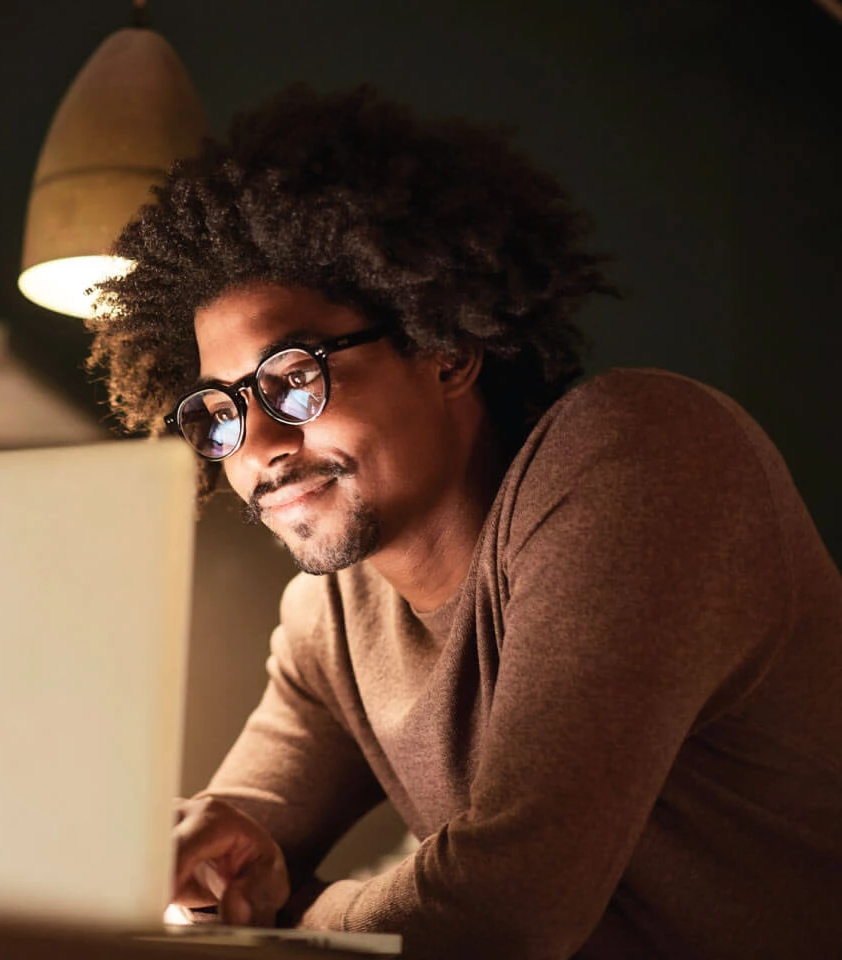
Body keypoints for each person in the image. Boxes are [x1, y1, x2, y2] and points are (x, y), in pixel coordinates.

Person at [88, 86, 842, 958]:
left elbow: (506, 910)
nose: (257, 445)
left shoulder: (640, 456)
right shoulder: (331, 619)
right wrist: (195, 866)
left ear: (444, 348)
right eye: (219, 413)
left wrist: (297, 906)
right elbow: (221, 865)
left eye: (293, 377)